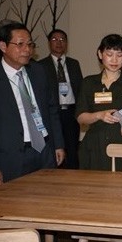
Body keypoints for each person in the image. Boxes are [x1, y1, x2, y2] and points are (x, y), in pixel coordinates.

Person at [0, 22, 65, 188]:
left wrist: (58, 144)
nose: (27, 49)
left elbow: (51, 110)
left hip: (44, 150)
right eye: (20, 44)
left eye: (30, 44)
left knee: (48, 199)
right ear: (3, 46)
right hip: (11, 157)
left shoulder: (39, 72)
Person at [75, 34, 122, 171]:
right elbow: (80, 117)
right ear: (100, 54)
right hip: (94, 147)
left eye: (119, 55)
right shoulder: (89, 83)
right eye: (109, 54)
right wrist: (99, 115)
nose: (114, 60)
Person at [39, 29, 83, 169]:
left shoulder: (73, 63)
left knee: (72, 148)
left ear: (67, 43)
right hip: (53, 113)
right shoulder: (41, 65)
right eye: (54, 40)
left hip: (71, 112)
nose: (59, 43)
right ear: (49, 43)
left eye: (62, 39)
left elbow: (80, 88)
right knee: (55, 147)